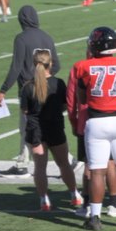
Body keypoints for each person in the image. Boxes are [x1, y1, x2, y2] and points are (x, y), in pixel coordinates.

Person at [67, 27, 116, 231]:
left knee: (97, 172)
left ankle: (95, 217)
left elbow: (82, 99)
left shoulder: (83, 67)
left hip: (97, 122)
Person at [0, 4, 59, 177]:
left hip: (27, 91)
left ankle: (23, 164)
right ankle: (66, 159)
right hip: (47, 89)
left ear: (22, 19)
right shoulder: (47, 37)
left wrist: (3, 90)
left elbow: (16, 67)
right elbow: (57, 65)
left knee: (27, 127)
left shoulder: (21, 38)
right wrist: (44, 78)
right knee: (44, 126)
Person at [19, 49, 82, 212]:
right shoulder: (58, 83)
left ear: (35, 64)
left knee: (40, 167)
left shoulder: (27, 86)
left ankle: (44, 200)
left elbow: (25, 111)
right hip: (54, 126)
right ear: (50, 63)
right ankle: (74, 194)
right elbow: (64, 105)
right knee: (64, 164)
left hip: (35, 130)